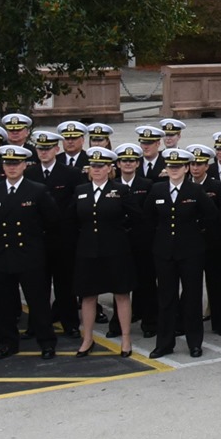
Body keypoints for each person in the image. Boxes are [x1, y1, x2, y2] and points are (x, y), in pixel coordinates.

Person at [0, 145, 59, 359]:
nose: (12, 167)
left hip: (29, 255)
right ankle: (8, 343)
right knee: (4, 305)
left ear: (24, 165)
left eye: (16, 163)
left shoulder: (37, 190)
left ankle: (46, 342)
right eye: (8, 163)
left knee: (38, 302)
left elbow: (51, 222)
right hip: (2, 256)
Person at [147, 147, 216, 358]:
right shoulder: (157, 190)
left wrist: (197, 236)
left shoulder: (195, 191)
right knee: (166, 299)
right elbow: (148, 219)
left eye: (178, 167)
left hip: (191, 253)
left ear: (186, 168)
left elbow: (212, 217)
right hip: (164, 253)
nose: (174, 170)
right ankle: (164, 343)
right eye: (170, 166)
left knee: (192, 298)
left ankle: (194, 342)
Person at [70, 148, 138, 357]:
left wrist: (122, 235)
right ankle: (87, 338)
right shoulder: (80, 190)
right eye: (93, 166)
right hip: (88, 250)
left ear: (109, 168)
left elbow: (136, 217)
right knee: (88, 296)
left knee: (121, 293)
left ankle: (126, 339)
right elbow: (71, 219)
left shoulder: (120, 191)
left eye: (101, 166)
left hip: (115, 250)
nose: (97, 170)